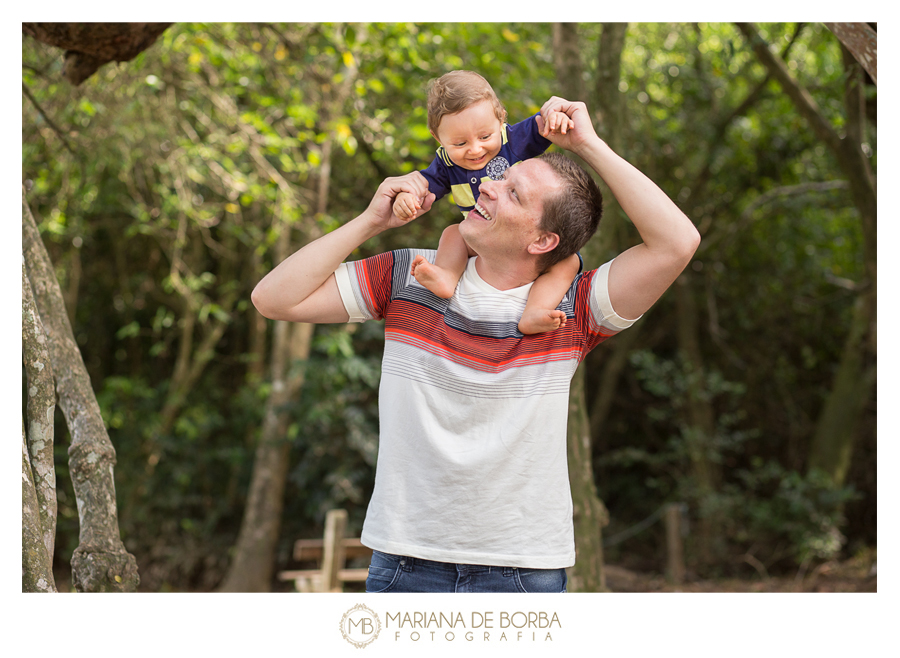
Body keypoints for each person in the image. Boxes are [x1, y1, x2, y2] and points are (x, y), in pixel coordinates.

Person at [251, 96, 700, 593]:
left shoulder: (573, 306)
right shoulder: (410, 275)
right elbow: (273, 299)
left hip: (522, 570)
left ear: (542, 241)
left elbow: (676, 243)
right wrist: (371, 222)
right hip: (404, 560)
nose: (485, 184)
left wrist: (587, 144)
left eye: (512, 192)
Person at [392, 70, 581, 335]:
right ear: (438, 138)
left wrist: (556, 117)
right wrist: (406, 197)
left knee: (568, 261)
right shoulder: (446, 164)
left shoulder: (513, 140)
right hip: (480, 239)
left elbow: (544, 126)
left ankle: (535, 311)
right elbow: (421, 185)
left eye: (484, 137)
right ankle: (447, 275)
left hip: (521, 238)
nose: (475, 150)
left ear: (501, 119)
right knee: (453, 233)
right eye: (459, 143)